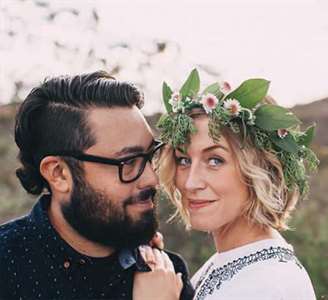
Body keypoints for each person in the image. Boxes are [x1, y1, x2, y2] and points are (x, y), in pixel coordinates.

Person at [0, 71, 194, 300]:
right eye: (128, 162)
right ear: (59, 173)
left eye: (150, 156)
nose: (152, 179)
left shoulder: (166, 276)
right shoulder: (7, 266)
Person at [136, 69, 319, 299]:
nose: (190, 182)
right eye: (183, 160)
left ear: (260, 170)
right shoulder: (230, 261)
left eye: (215, 160)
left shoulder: (267, 284)